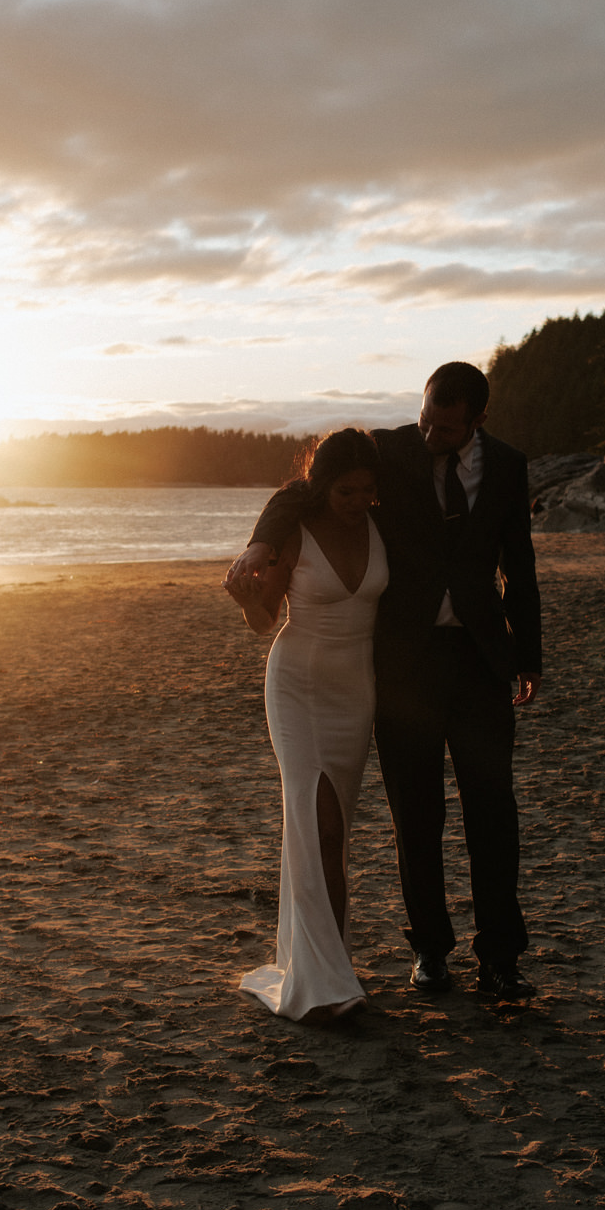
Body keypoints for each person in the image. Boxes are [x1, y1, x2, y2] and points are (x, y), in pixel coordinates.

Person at [225, 362, 542, 1000]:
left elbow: (520, 564)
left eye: (446, 428)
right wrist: (260, 545)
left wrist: (527, 657)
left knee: (492, 810)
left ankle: (501, 958)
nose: (430, 433)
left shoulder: (507, 466)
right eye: (425, 417)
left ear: (477, 422)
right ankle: (430, 951)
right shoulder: (391, 451)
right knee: (415, 815)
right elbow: (302, 491)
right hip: (403, 666)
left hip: (480, 660)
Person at [230, 428, 388, 1023]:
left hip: (358, 691)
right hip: (296, 683)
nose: (358, 501)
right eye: (347, 491)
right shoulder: (293, 530)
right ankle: (327, 987)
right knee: (315, 820)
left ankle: (326, 966)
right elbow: (262, 618)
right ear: (322, 486)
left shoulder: (382, 526)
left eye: (368, 490)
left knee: (334, 831)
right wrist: (244, 599)